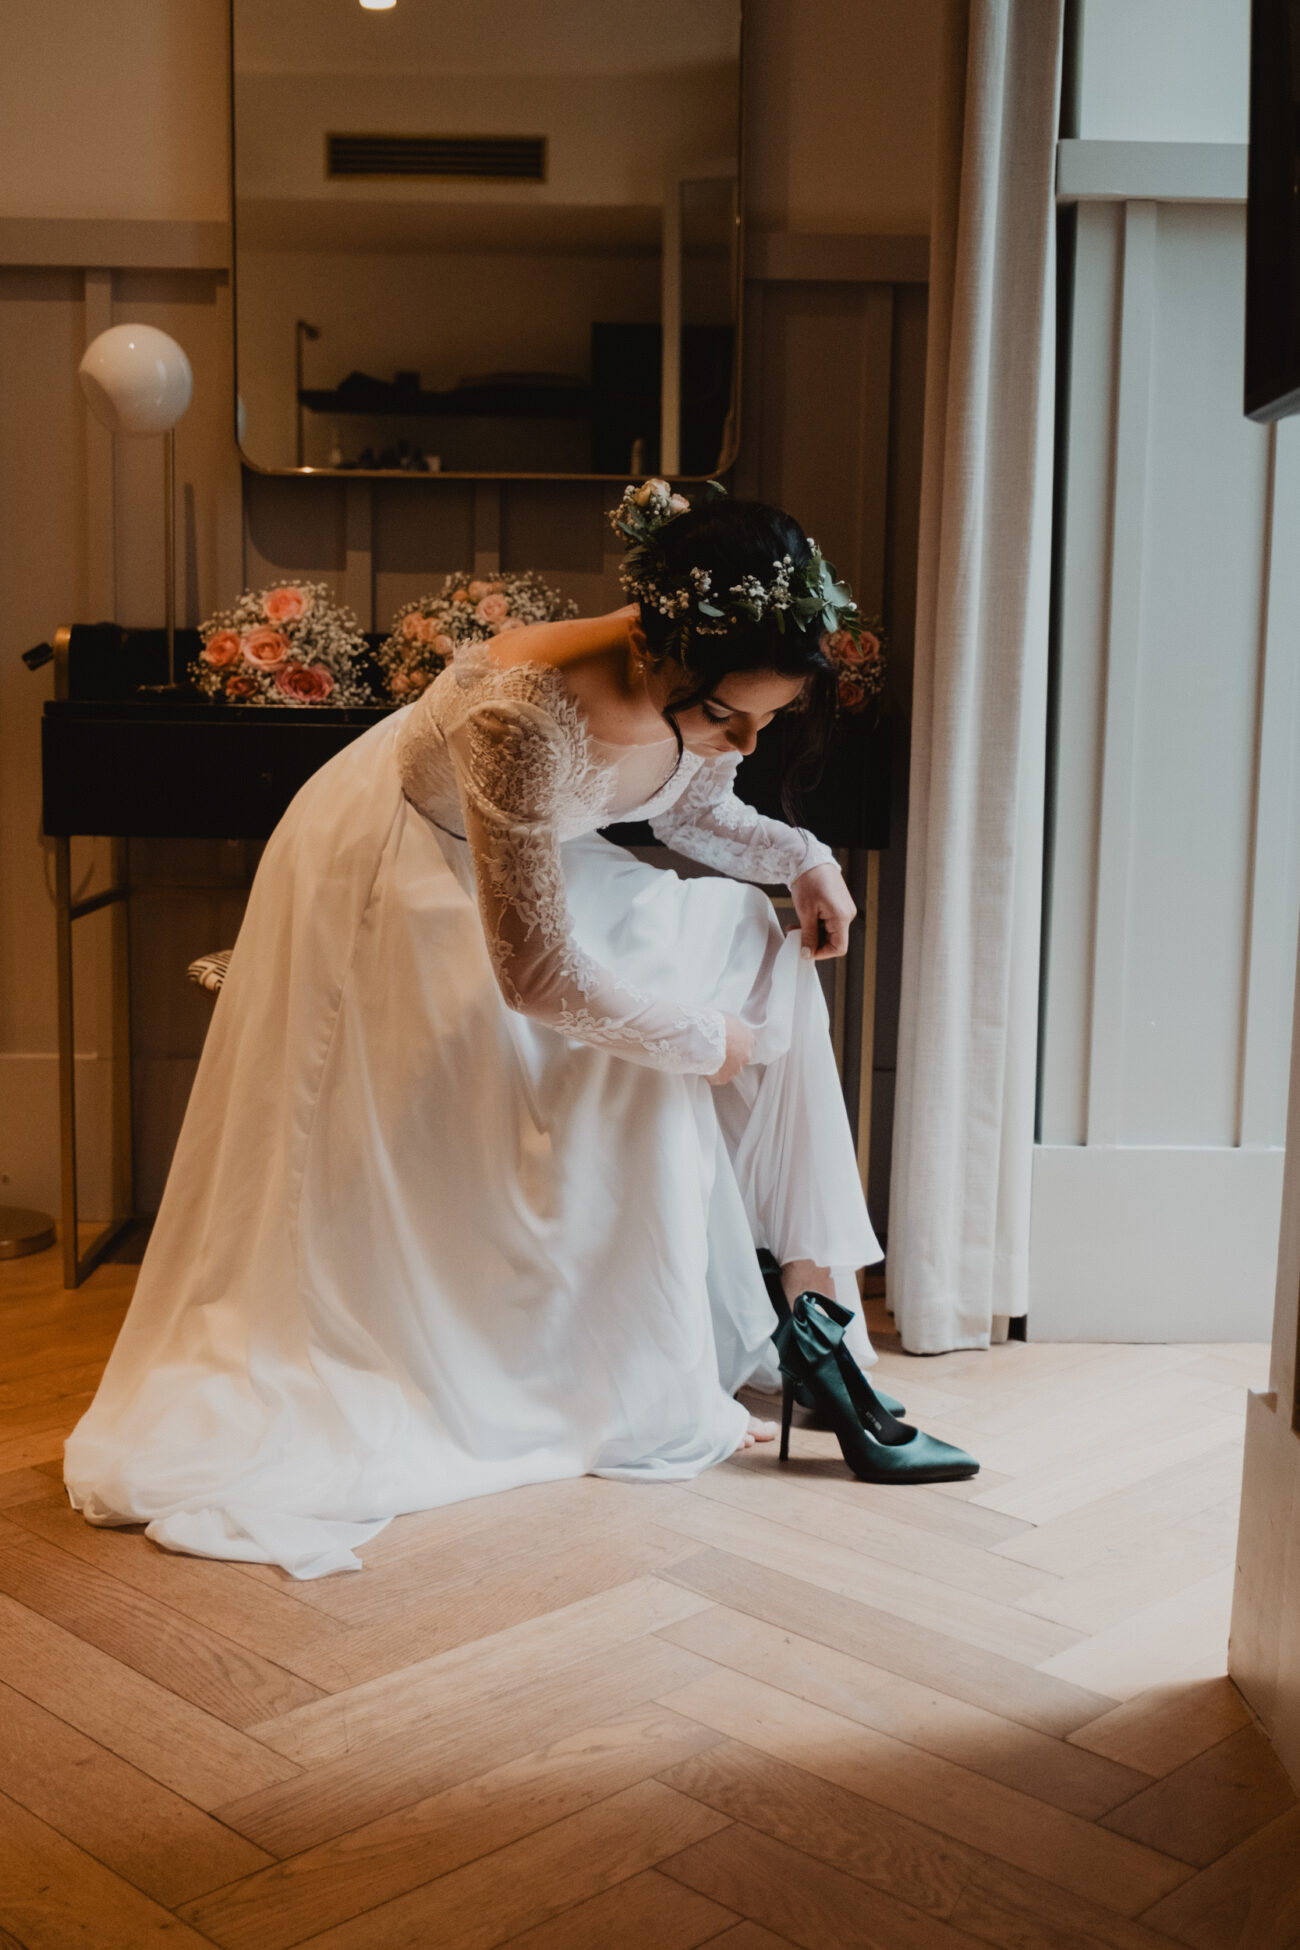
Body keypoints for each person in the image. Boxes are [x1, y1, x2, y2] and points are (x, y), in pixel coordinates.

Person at [63, 482, 973, 1582]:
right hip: (406, 884)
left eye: (764, 724)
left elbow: (683, 799)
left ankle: (812, 1311)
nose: (745, 739)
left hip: (540, 872)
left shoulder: (697, 681)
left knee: (759, 938)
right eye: (732, 718)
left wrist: (803, 859)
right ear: (660, 655)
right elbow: (536, 973)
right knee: (646, 1055)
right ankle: (690, 1354)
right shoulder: (521, 711)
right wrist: (703, 1043)